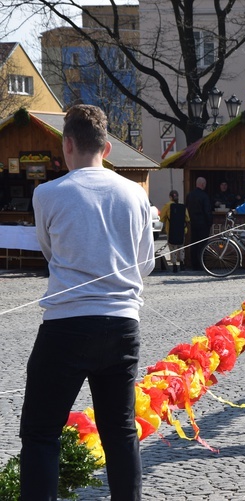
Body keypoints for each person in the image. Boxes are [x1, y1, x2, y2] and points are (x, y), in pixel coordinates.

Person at [21, 104, 154, 499]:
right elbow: (145, 263)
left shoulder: (46, 193)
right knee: (121, 431)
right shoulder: (135, 193)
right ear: (107, 148)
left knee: (41, 432)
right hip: (123, 323)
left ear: (68, 144)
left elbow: (50, 253)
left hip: (67, 323)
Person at [186, 176, 212, 271]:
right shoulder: (204, 196)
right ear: (202, 184)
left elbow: (186, 208)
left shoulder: (190, 195)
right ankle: (202, 264)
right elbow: (207, 211)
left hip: (193, 222)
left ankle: (194, 264)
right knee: (203, 245)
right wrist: (210, 222)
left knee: (194, 243)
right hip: (203, 223)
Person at [160, 189, 190, 273]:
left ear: (170, 197)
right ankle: (182, 263)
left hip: (171, 230)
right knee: (181, 247)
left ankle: (174, 266)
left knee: (172, 248)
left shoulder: (167, 206)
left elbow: (162, 218)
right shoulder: (182, 206)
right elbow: (187, 218)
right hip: (182, 230)